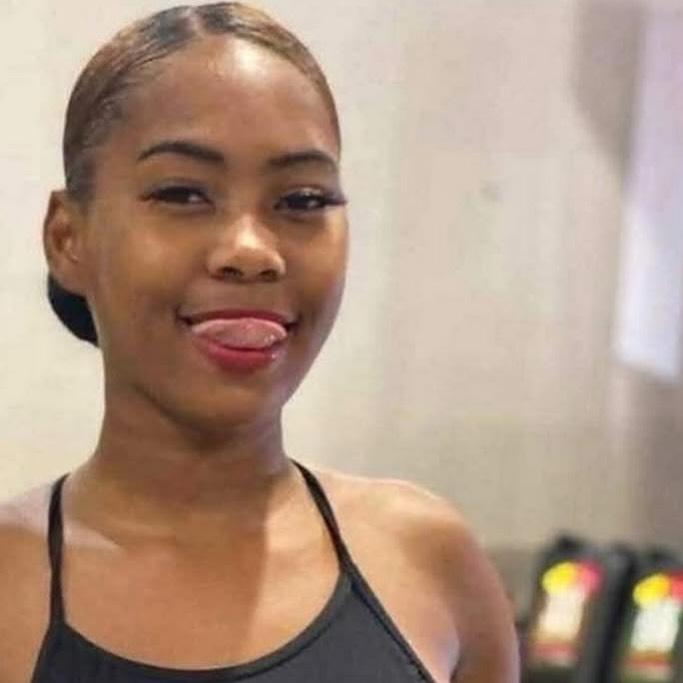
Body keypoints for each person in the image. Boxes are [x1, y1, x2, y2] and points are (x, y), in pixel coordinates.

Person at [0, 3, 519, 682]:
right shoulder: (10, 577)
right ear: (68, 237)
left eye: (302, 200)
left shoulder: (428, 561)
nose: (251, 251)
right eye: (183, 193)